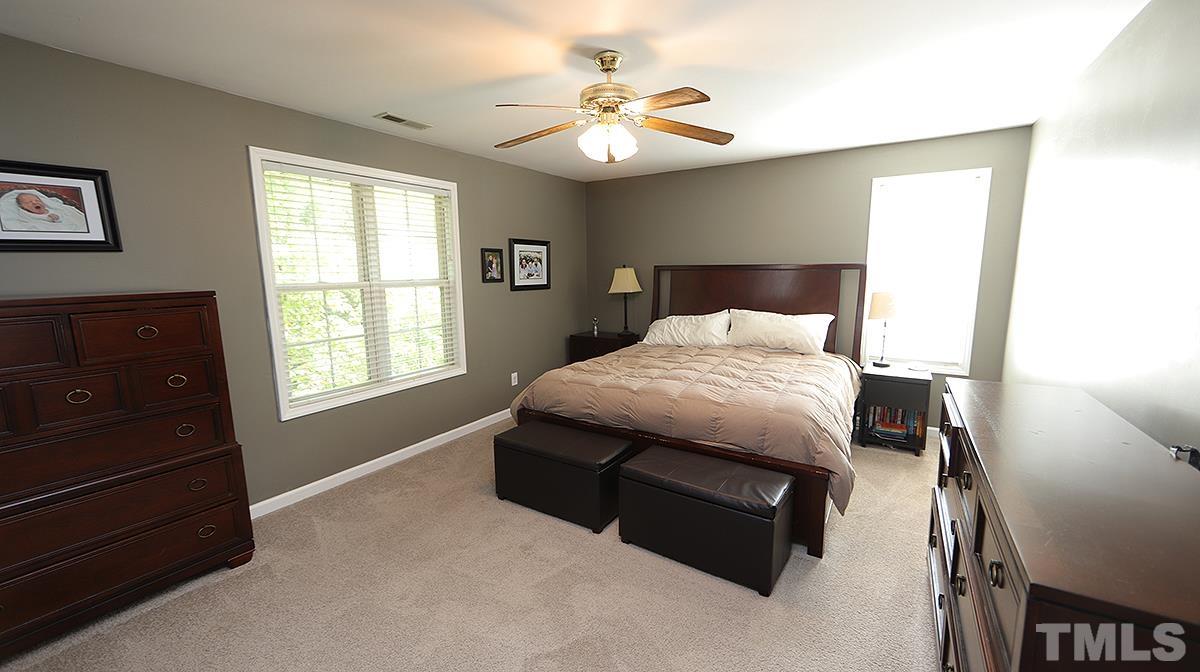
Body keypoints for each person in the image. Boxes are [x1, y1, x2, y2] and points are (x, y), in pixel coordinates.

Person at [0, 189, 88, 232]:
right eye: (29, 202)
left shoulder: (49, 210)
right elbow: (24, 222)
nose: (34, 203)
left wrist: (57, 218)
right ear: (23, 207)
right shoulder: (24, 213)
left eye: (37, 200)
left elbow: (62, 217)